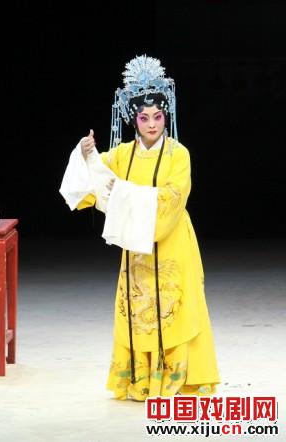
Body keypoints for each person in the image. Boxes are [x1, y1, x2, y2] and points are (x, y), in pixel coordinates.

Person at [59, 55, 219, 401]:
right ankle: (142, 379)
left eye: (158, 117)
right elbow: (92, 182)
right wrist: (85, 154)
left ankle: (176, 378)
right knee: (139, 309)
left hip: (173, 239)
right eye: (144, 118)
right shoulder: (121, 155)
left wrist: (124, 194)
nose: (152, 124)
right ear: (134, 119)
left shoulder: (179, 154)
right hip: (136, 246)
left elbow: (174, 197)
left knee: (176, 306)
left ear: (166, 117)